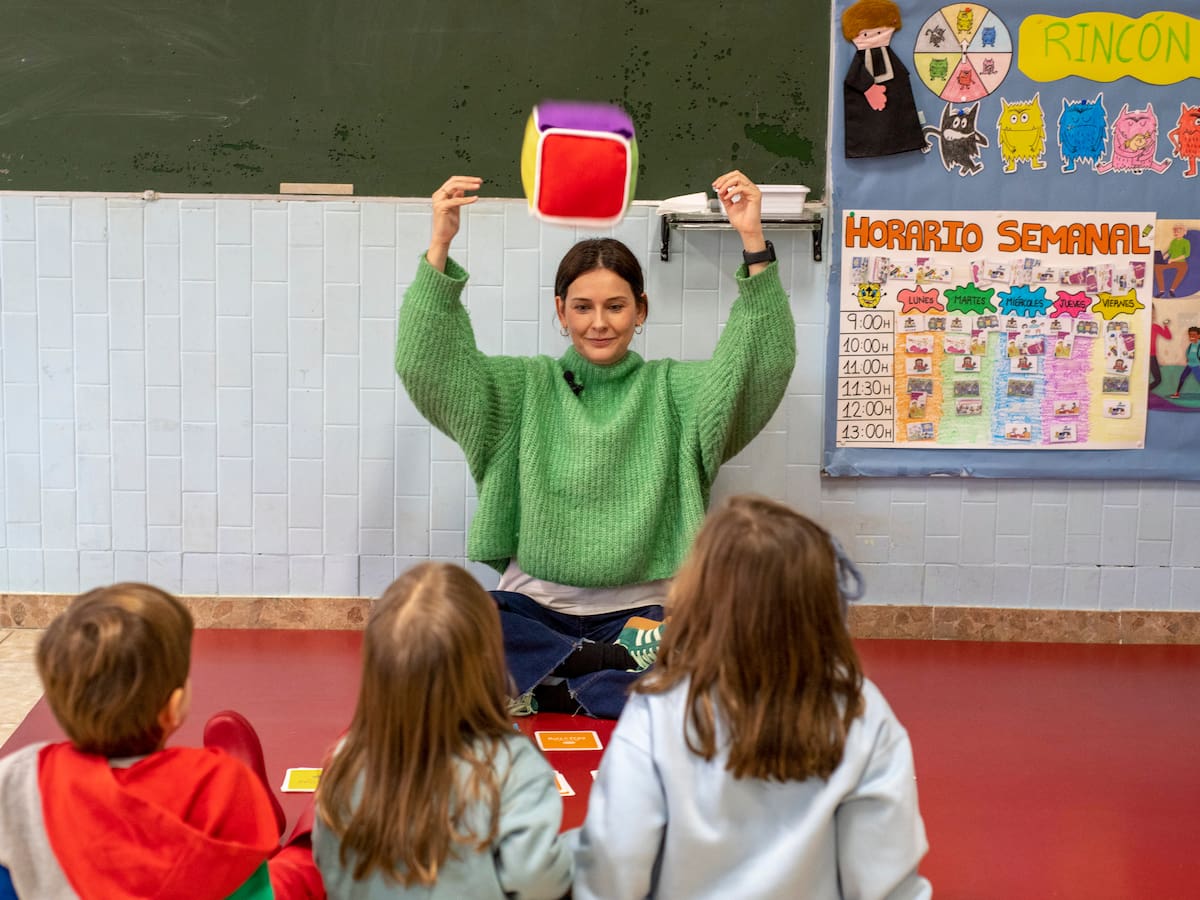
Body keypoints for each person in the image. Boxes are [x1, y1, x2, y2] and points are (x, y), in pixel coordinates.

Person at [394, 171, 795, 718]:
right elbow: (429, 366)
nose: (599, 323)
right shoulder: (523, 389)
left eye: (616, 306)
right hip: (534, 610)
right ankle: (597, 672)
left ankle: (552, 687)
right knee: (453, 625)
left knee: (722, 648)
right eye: (583, 307)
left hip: (647, 619)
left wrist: (753, 241)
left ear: (641, 310)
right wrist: (439, 245)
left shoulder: (675, 392)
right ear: (561, 311)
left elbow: (759, 366)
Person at [573, 495, 930, 899]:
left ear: (697, 599)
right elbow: (889, 883)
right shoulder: (862, 710)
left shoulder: (659, 708)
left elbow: (614, 869)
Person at [0, 583, 321, 899]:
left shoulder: (16, 779)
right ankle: (305, 806)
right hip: (232, 846)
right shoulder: (220, 786)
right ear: (174, 708)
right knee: (308, 852)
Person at [313, 562, 572, 899]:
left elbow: (328, 866)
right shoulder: (513, 765)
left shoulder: (346, 759)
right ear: (489, 663)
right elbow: (538, 882)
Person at [1155, 223, 1190, 298]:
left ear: (1184, 232)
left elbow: (1186, 254)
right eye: (1175, 231)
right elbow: (1169, 252)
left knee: (1184, 268)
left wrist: (1173, 259)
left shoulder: (1186, 242)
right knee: (1157, 267)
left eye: (1178, 231)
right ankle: (1161, 291)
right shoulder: (1173, 241)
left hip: (1181, 263)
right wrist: (1161, 259)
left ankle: (1172, 290)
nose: (1176, 233)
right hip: (1171, 262)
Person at [1170, 326, 1200, 398]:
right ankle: (1177, 393)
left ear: (1199, 335)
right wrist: (1188, 358)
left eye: (1194, 335)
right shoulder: (1191, 345)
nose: (1192, 336)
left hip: (1196, 366)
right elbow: (1187, 352)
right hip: (1189, 365)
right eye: (1190, 335)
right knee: (1182, 377)